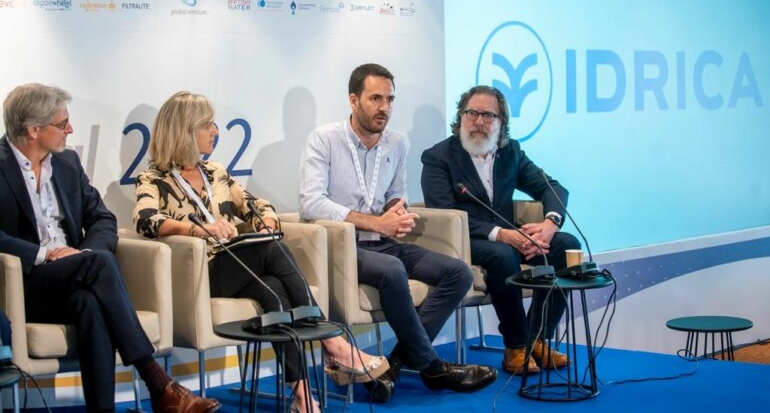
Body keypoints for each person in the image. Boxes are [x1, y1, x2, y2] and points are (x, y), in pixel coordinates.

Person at [133, 91, 388, 413]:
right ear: (184, 131)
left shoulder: (216, 172)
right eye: (207, 125)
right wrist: (197, 229)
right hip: (201, 273)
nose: (216, 131)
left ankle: (302, 396)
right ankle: (332, 344)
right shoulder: (153, 178)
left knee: (274, 291)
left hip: (238, 265)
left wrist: (265, 221)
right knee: (271, 249)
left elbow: (256, 206)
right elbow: (145, 220)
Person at [0, 84, 219, 412]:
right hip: (25, 284)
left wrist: (84, 255)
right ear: (33, 129)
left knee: (89, 303)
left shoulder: (66, 163)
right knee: (100, 264)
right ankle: (158, 382)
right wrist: (47, 255)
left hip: (77, 275)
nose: (70, 130)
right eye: (62, 124)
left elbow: (102, 218)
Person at [298, 63, 497, 403]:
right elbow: (311, 203)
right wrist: (376, 223)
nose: (384, 108)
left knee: (458, 273)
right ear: (353, 100)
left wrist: (397, 211)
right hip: (341, 247)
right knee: (392, 270)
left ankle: (392, 366)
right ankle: (432, 366)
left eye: (390, 99)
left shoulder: (397, 142)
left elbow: (396, 192)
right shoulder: (325, 139)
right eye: (375, 98)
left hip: (385, 242)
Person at [421, 85, 582, 375]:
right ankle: (515, 346)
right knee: (502, 255)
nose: (478, 121)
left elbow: (553, 188)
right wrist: (502, 234)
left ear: (501, 122)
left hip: (510, 239)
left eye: (488, 115)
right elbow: (444, 213)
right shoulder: (438, 157)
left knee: (566, 245)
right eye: (472, 113)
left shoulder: (510, 152)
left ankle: (537, 339)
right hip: (464, 241)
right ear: (460, 116)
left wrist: (548, 225)